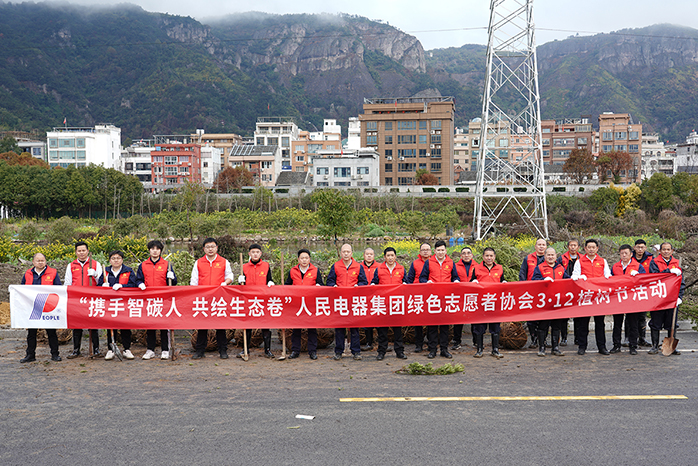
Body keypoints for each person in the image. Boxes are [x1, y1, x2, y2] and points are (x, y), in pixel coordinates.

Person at [190, 237, 234, 359]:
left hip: (219, 298)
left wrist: (226, 282)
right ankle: (200, 350)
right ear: (204, 249)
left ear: (217, 248)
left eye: (212, 246)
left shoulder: (224, 261)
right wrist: (195, 294)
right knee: (202, 325)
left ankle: (223, 350)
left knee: (220, 325)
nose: (210, 249)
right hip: (203, 298)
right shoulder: (198, 262)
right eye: (208, 247)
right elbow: (193, 281)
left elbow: (230, 275)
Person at [135, 239, 177, 360]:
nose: (155, 251)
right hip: (148, 299)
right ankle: (150, 350)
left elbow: (173, 283)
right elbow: (138, 279)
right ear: (149, 250)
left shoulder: (167, 264)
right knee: (150, 326)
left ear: (160, 251)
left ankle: (165, 350)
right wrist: (140, 284)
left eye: (157, 249)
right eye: (152, 249)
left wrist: (172, 277)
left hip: (163, 300)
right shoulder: (143, 265)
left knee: (164, 325)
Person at [326, 243, 368, 360]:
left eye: (348, 252)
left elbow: (364, 282)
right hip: (340, 302)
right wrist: (333, 286)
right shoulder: (336, 266)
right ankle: (338, 351)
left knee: (354, 327)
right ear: (340, 253)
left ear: (351, 253)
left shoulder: (358, 266)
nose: (346, 254)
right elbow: (329, 281)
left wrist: (357, 285)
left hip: (353, 301)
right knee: (339, 328)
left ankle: (356, 352)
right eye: (344, 251)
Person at [419, 240, 459, 359]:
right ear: (434, 251)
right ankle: (432, 350)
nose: (440, 252)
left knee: (444, 326)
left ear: (446, 251)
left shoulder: (451, 262)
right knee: (432, 326)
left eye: (442, 250)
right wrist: (427, 282)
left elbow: (455, 276)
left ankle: (444, 349)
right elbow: (422, 278)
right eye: (438, 250)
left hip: (446, 298)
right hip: (433, 299)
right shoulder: (429, 263)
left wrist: (456, 281)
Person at [571, 239, 612, 355]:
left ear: (597, 248)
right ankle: (582, 347)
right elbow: (574, 275)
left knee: (600, 324)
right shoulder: (580, 261)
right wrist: (579, 277)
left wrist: (608, 277)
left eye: (593, 247)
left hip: (599, 297)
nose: (591, 249)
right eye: (589, 247)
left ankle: (602, 347)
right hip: (586, 297)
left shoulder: (603, 261)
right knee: (583, 324)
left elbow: (607, 274)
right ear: (585, 248)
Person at [20, 253, 62, 363]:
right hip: (33, 307)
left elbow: (59, 289)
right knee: (31, 333)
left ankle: (55, 354)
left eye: (42, 260)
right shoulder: (28, 273)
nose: (40, 262)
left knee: (51, 332)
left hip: (48, 307)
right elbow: (22, 289)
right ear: (33, 262)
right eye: (38, 260)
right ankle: (30, 355)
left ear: (45, 261)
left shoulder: (53, 273)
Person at [65, 241, 102, 359]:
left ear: (87, 251)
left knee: (93, 325)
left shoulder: (95, 264)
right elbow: (68, 283)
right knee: (77, 325)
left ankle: (96, 349)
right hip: (77, 300)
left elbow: (102, 282)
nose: (81, 253)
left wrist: (95, 275)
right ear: (76, 252)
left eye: (83, 250)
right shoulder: (71, 265)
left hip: (92, 299)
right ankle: (76, 350)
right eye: (79, 251)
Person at [284, 248, 323, 360]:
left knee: (312, 328)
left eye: (306, 258)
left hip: (310, 303)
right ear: (298, 259)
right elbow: (287, 285)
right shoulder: (293, 271)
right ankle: (295, 350)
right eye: (302, 258)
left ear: (309, 259)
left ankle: (312, 351)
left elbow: (321, 284)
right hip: (297, 304)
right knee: (296, 328)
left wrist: (319, 287)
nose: (304, 260)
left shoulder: (315, 270)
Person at [238, 243, 275, 358]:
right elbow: (241, 286)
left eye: (257, 252)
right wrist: (240, 281)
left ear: (260, 253)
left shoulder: (266, 265)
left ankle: (267, 350)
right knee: (248, 326)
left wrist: (270, 282)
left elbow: (269, 279)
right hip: (249, 301)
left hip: (262, 300)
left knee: (265, 325)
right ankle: (246, 350)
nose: (255, 254)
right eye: (253, 252)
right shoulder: (243, 267)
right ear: (249, 254)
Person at [531, 247, 570, 356]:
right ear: (545, 256)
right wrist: (543, 280)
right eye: (548, 255)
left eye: (552, 255)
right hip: (544, 302)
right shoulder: (539, 268)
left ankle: (555, 348)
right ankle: (542, 348)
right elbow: (533, 281)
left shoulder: (561, 268)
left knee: (556, 326)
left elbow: (567, 280)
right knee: (543, 326)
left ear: (556, 256)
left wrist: (575, 279)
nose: (550, 257)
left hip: (557, 302)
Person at [98, 250, 136, 360]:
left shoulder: (128, 271)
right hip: (110, 303)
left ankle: (126, 349)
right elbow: (99, 285)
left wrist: (122, 286)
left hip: (124, 303)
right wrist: (102, 285)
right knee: (110, 325)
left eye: (118, 258)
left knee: (125, 326)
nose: (116, 260)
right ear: (110, 260)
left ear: (122, 260)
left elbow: (133, 285)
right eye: (113, 258)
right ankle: (111, 350)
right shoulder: (105, 271)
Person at [648, 242, 685, 355]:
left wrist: (679, 297)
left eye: (668, 249)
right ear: (660, 251)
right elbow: (654, 277)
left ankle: (671, 346)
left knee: (671, 323)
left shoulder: (677, 264)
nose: (666, 251)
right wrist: (668, 271)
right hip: (658, 298)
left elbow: (681, 283)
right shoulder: (654, 262)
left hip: (672, 299)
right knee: (656, 322)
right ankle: (654, 346)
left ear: (672, 251)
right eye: (664, 249)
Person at [371, 247, 407, 360]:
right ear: (384, 257)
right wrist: (372, 285)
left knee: (397, 330)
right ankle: (381, 351)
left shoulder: (401, 269)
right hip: (383, 303)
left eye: (392, 255)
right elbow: (374, 282)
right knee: (382, 330)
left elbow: (406, 282)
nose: (390, 258)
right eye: (388, 256)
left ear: (395, 256)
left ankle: (399, 351)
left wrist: (406, 284)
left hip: (397, 303)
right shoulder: (379, 269)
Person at [610, 244, 646, 355]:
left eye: (626, 253)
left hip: (632, 299)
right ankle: (616, 345)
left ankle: (633, 346)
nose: (624, 255)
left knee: (633, 324)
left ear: (631, 254)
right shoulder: (615, 266)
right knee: (617, 323)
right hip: (618, 299)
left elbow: (644, 281)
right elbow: (609, 281)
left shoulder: (638, 266)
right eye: (622, 253)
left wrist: (638, 275)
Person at [471, 247, 504, 359]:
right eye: (487, 256)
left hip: (495, 302)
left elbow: (502, 280)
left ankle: (495, 349)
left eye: (491, 256)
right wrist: (473, 282)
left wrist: (504, 283)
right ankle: (480, 349)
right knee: (479, 326)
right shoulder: (476, 268)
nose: (489, 258)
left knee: (495, 326)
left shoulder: (500, 268)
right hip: (481, 302)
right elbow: (471, 283)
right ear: (483, 257)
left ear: (494, 257)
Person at [519, 238, 547, 349]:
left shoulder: (550, 258)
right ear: (535, 246)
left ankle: (543, 340)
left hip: (545, 293)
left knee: (545, 318)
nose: (541, 246)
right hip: (530, 293)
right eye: (539, 244)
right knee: (531, 318)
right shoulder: (528, 258)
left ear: (546, 246)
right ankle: (533, 339)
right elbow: (522, 274)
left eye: (543, 245)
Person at [406, 243, 431, 352]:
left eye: (427, 249)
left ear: (431, 251)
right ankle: (418, 344)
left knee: (431, 321)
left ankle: (431, 343)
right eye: (423, 250)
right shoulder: (415, 263)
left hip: (431, 295)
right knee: (418, 321)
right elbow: (409, 279)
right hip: (418, 295)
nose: (425, 251)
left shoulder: (434, 263)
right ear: (420, 252)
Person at [629, 239, 653, 347]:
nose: (640, 249)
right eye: (638, 247)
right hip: (631, 291)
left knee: (642, 316)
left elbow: (653, 273)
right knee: (630, 316)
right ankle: (628, 338)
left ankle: (642, 338)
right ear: (634, 248)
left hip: (644, 291)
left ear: (645, 248)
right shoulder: (629, 257)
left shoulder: (650, 259)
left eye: (642, 247)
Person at [557, 239, 580, 346]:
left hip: (578, 290)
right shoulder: (561, 258)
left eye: (575, 245)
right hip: (564, 290)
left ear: (578, 247)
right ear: (568, 247)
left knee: (578, 316)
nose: (573, 247)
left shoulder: (582, 259)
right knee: (563, 316)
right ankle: (564, 338)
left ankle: (577, 337)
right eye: (571, 245)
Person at [454, 247, 477, 350]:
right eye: (464, 253)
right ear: (461, 256)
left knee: (475, 321)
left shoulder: (477, 266)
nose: (466, 255)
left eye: (468, 253)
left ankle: (476, 342)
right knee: (458, 320)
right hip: (459, 296)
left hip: (473, 296)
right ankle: (456, 342)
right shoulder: (455, 266)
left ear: (472, 255)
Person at [360, 248, 380, 352]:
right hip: (364, 297)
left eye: (371, 254)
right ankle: (369, 343)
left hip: (377, 297)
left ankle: (381, 342)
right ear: (364, 255)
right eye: (367, 254)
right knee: (367, 321)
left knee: (379, 321)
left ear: (374, 255)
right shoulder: (359, 267)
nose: (369, 256)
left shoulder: (380, 267)